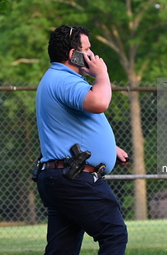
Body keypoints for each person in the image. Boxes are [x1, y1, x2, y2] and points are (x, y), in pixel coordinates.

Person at [35, 25, 128, 255]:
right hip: (74, 178)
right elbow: (99, 102)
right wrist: (102, 74)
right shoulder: (64, 80)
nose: (92, 56)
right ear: (72, 55)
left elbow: (71, 125)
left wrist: (108, 147)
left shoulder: (55, 78)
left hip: (60, 177)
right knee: (114, 232)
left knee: (62, 250)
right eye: (87, 50)